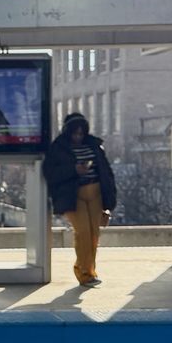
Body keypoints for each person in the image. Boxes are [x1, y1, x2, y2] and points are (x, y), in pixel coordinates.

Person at [43, 112, 116, 286]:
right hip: (73, 196)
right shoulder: (58, 148)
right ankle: (84, 272)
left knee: (93, 234)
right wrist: (74, 170)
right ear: (68, 132)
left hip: (96, 192)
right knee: (83, 232)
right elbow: (50, 174)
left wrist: (109, 202)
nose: (78, 137)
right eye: (75, 133)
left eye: (81, 133)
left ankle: (90, 271)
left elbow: (106, 173)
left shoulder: (94, 146)